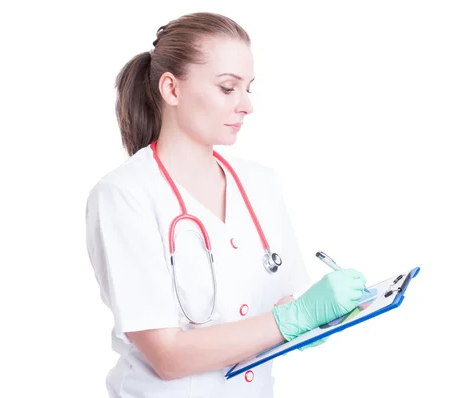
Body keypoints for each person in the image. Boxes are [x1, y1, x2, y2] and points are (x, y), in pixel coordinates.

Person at [85, 11, 367, 398]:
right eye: (228, 88)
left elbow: (277, 303)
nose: (247, 105)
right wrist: (293, 320)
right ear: (171, 89)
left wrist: (319, 318)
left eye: (249, 88)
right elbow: (167, 357)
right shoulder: (124, 195)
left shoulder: (261, 183)